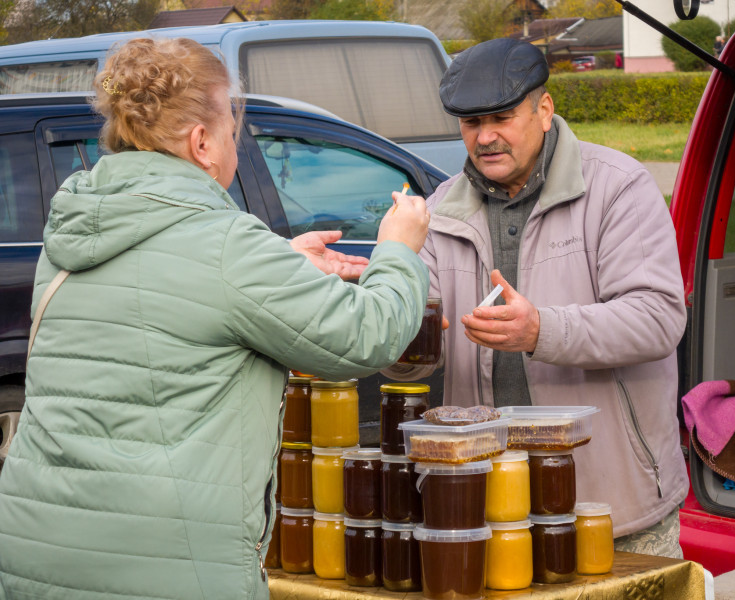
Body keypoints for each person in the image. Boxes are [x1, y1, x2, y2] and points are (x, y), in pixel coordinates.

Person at [0, 37, 430, 599]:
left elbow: (167, 296)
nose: (234, 144)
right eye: (231, 131)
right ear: (202, 143)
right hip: (160, 570)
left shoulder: (72, 228)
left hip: (34, 551)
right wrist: (397, 249)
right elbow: (367, 336)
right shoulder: (227, 247)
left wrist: (281, 264)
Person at [384, 38, 688, 557]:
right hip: (485, 511)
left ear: (544, 110)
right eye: (471, 123)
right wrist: (392, 315)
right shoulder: (438, 211)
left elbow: (657, 319)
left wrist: (541, 330)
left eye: (501, 118)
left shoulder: (618, 187)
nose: (485, 137)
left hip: (611, 507)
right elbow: (412, 361)